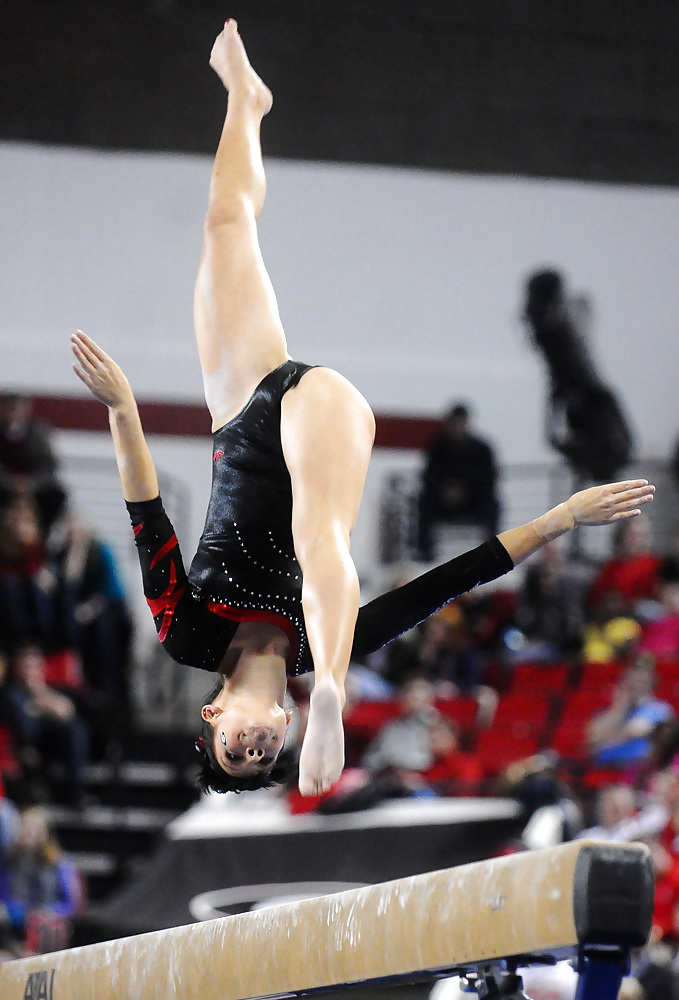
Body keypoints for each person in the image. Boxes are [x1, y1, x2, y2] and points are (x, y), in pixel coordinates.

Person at [70, 21, 655, 798]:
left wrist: (122, 410)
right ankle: (337, 703)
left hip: (242, 412)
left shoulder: (186, 632)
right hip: (319, 423)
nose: (253, 746)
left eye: (234, 752)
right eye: (262, 756)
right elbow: (442, 584)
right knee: (319, 540)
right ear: (285, 728)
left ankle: (247, 100)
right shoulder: (321, 646)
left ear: (211, 717)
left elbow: (148, 517)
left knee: (222, 224)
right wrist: (558, 519)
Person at [417, 402, 500, 560]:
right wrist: (445, 491)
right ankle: (425, 552)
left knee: (492, 507)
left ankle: (491, 553)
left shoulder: (482, 449)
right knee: (424, 505)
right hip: (441, 501)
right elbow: (429, 476)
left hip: (473, 502)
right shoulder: (437, 447)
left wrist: (465, 493)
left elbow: (488, 480)